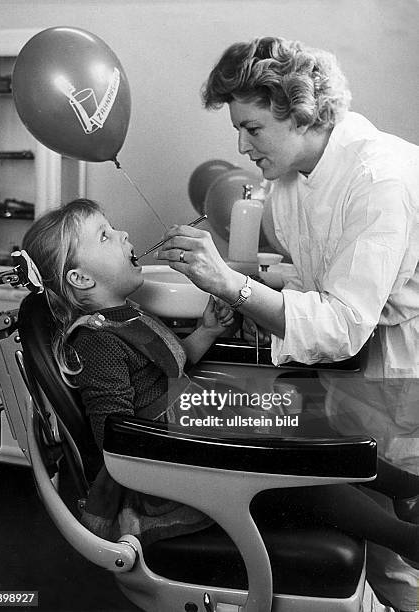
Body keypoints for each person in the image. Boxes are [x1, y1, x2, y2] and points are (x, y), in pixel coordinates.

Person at [155, 37, 419, 608]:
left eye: (251, 128)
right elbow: (314, 281)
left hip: (405, 357)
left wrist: (233, 284)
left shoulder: (379, 178)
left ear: (300, 112)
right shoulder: (288, 184)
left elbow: (344, 320)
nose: (241, 145)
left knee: (403, 553)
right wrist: (255, 288)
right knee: (370, 526)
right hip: (358, 360)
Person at [21, 198, 419, 569]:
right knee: (290, 463)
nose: (123, 235)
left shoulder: (125, 316)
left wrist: (206, 332)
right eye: (105, 235)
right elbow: (116, 433)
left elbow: (167, 366)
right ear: (81, 278)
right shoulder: (95, 341)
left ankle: (406, 488)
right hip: (171, 462)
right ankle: (407, 538)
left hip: (186, 422)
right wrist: (219, 433)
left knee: (302, 419)